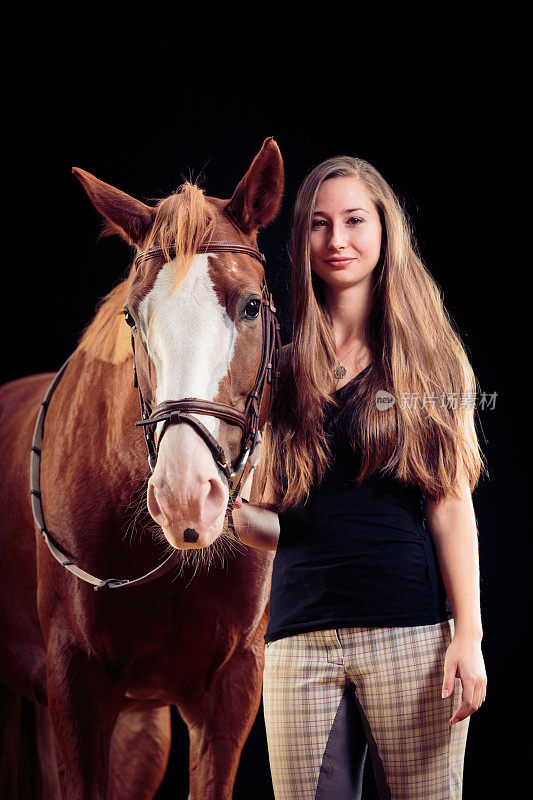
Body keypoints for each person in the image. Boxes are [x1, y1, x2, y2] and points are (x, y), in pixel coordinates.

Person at [231, 156, 487, 800]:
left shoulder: (428, 360)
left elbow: (451, 505)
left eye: (353, 220)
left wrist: (470, 636)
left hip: (412, 638)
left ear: (384, 229)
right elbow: (285, 530)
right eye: (319, 225)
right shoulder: (277, 372)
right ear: (303, 242)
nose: (336, 240)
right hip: (297, 647)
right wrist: (226, 516)